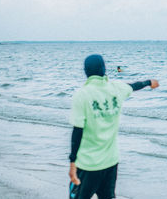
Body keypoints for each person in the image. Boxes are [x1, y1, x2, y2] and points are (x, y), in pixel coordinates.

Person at [68, 54, 159, 199]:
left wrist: (72, 162)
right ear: (104, 69)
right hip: (111, 162)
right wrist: (149, 82)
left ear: (85, 71)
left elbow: (77, 132)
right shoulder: (117, 88)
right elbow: (134, 86)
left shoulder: (82, 95)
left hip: (88, 164)